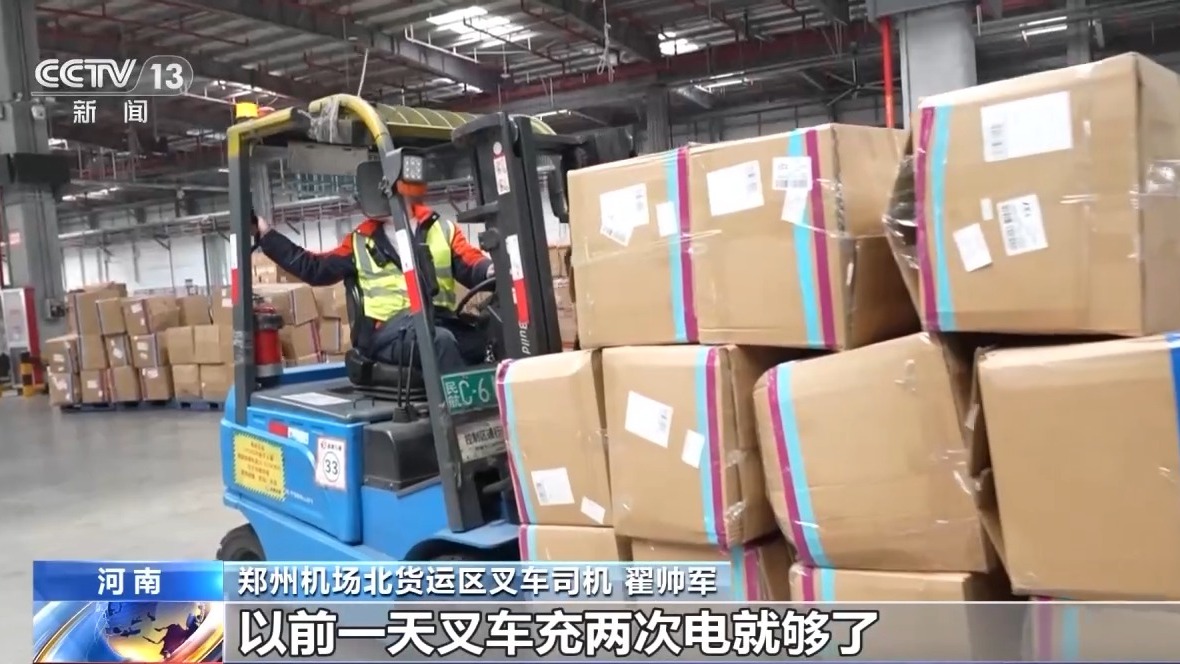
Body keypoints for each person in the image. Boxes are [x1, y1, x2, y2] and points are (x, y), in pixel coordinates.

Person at [254, 184, 494, 374]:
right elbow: (314, 268)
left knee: (491, 338)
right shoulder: (360, 240)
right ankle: (458, 417)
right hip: (389, 332)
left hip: (437, 320)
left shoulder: (441, 228)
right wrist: (267, 235)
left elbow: (471, 263)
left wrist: (491, 269)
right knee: (440, 342)